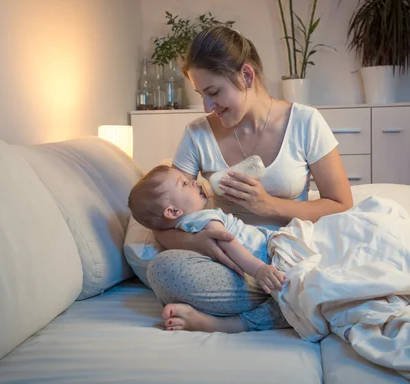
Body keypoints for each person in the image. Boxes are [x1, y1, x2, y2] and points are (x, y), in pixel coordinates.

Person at [146, 26, 353, 334]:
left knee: (333, 269)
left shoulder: (305, 122)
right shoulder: (196, 134)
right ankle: (293, 302)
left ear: (246, 75)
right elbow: (163, 223)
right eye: (202, 95)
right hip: (232, 263)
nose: (207, 107)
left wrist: (270, 206)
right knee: (163, 270)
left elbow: (341, 205)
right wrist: (198, 241)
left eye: (214, 93)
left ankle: (240, 316)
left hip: (290, 256)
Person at [128, 165, 287, 303]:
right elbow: (229, 243)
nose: (195, 181)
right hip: (266, 251)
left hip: (265, 249)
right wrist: (259, 270)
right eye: (184, 183)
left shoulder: (186, 227)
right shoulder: (202, 218)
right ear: (173, 211)